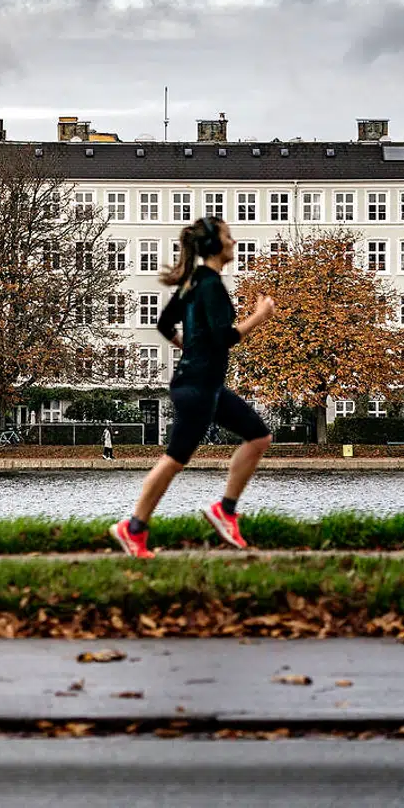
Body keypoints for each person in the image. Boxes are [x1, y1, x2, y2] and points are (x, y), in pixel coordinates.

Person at [111, 216, 276, 559]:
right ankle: (134, 527)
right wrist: (260, 316)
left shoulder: (192, 283)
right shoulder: (210, 285)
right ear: (215, 244)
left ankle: (224, 511)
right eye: (229, 237)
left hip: (202, 384)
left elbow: (163, 323)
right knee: (174, 460)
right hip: (199, 387)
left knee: (259, 436)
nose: (234, 242)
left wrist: (189, 346)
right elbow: (224, 337)